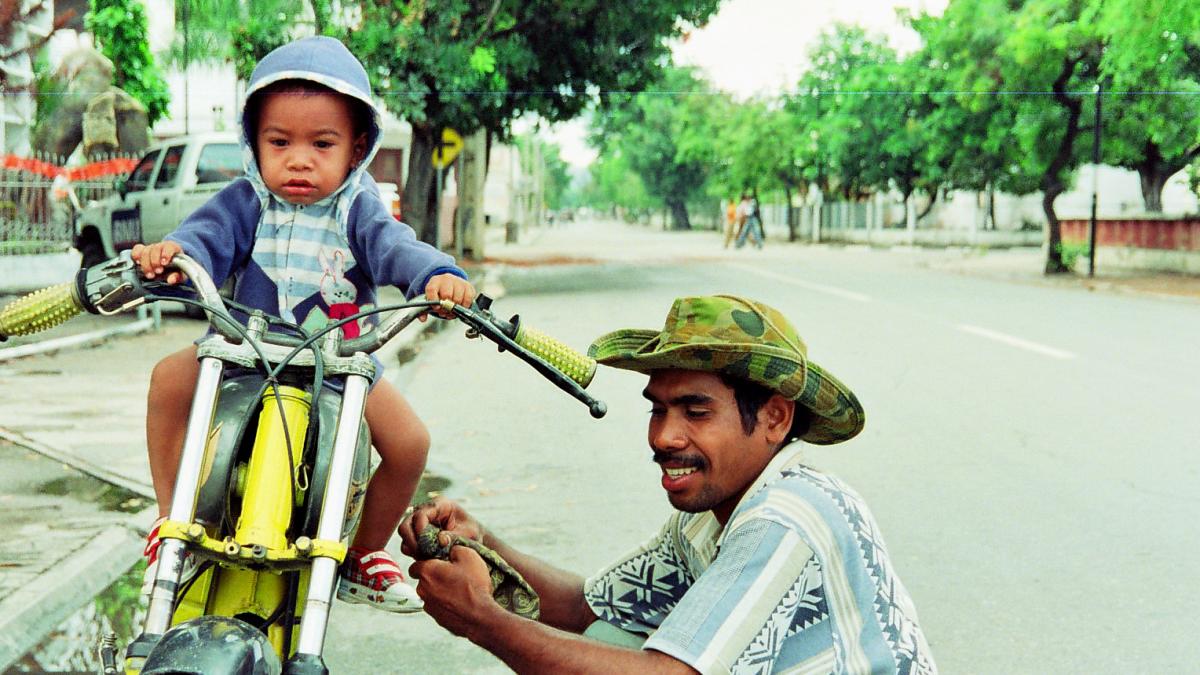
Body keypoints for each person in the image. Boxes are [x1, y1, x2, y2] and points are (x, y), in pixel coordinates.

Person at [399, 295, 936, 673]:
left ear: (774, 418)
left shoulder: (788, 516)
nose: (665, 437)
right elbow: (590, 610)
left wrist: (484, 621)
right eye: (658, 411)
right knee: (609, 639)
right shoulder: (710, 511)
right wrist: (483, 543)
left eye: (696, 411)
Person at [132, 36, 475, 613]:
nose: (298, 159)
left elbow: (397, 249)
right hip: (242, 354)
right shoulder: (245, 201)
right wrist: (170, 253)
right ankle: (175, 525)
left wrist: (439, 277)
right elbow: (203, 239)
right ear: (254, 143)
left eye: (322, 143)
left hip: (339, 365)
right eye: (279, 142)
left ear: (356, 147)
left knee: (411, 442)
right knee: (168, 380)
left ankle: (363, 554)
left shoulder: (357, 208)